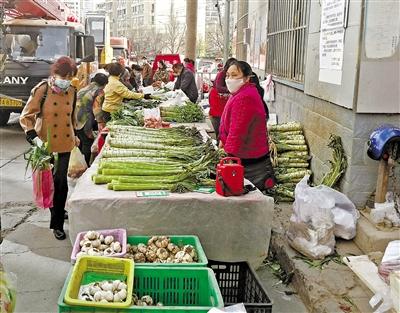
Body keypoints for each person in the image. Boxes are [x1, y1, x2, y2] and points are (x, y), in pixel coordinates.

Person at [19, 56, 79, 240]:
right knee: (50, 183)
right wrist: (33, 138)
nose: (67, 81)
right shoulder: (42, 90)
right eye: (64, 76)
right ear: (55, 73)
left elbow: (71, 117)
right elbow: (26, 116)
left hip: (65, 143)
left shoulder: (72, 91)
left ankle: (58, 218)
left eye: (70, 77)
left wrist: (75, 133)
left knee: (61, 182)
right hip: (45, 144)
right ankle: (57, 217)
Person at [219, 60, 275, 191]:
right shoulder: (239, 93)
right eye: (227, 75)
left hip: (250, 162)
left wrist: (229, 155)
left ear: (246, 78)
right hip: (246, 156)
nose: (229, 79)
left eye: (234, 75)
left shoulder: (245, 97)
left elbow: (237, 131)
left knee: (249, 200)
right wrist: (222, 139)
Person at [75, 73, 109, 165]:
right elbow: (96, 108)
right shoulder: (99, 91)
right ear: (105, 84)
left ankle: (79, 163)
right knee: (87, 141)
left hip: (75, 118)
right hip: (85, 119)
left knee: (81, 139)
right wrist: (100, 122)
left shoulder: (84, 88)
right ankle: (85, 165)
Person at [208, 57, 236, 140]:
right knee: (219, 118)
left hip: (223, 99)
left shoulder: (229, 75)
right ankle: (219, 138)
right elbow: (219, 87)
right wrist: (232, 89)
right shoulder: (222, 74)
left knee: (225, 118)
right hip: (217, 99)